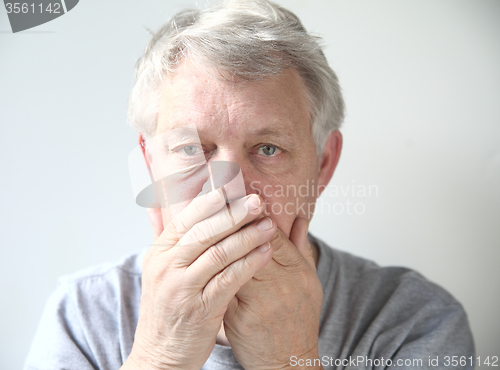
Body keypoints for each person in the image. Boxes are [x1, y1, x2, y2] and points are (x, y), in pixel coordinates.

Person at [24, 0, 475, 369]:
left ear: (322, 165)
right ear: (148, 164)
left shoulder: (413, 321)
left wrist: (288, 361)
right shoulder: (81, 315)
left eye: (268, 149)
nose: (227, 190)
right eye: (190, 149)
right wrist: (161, 357)